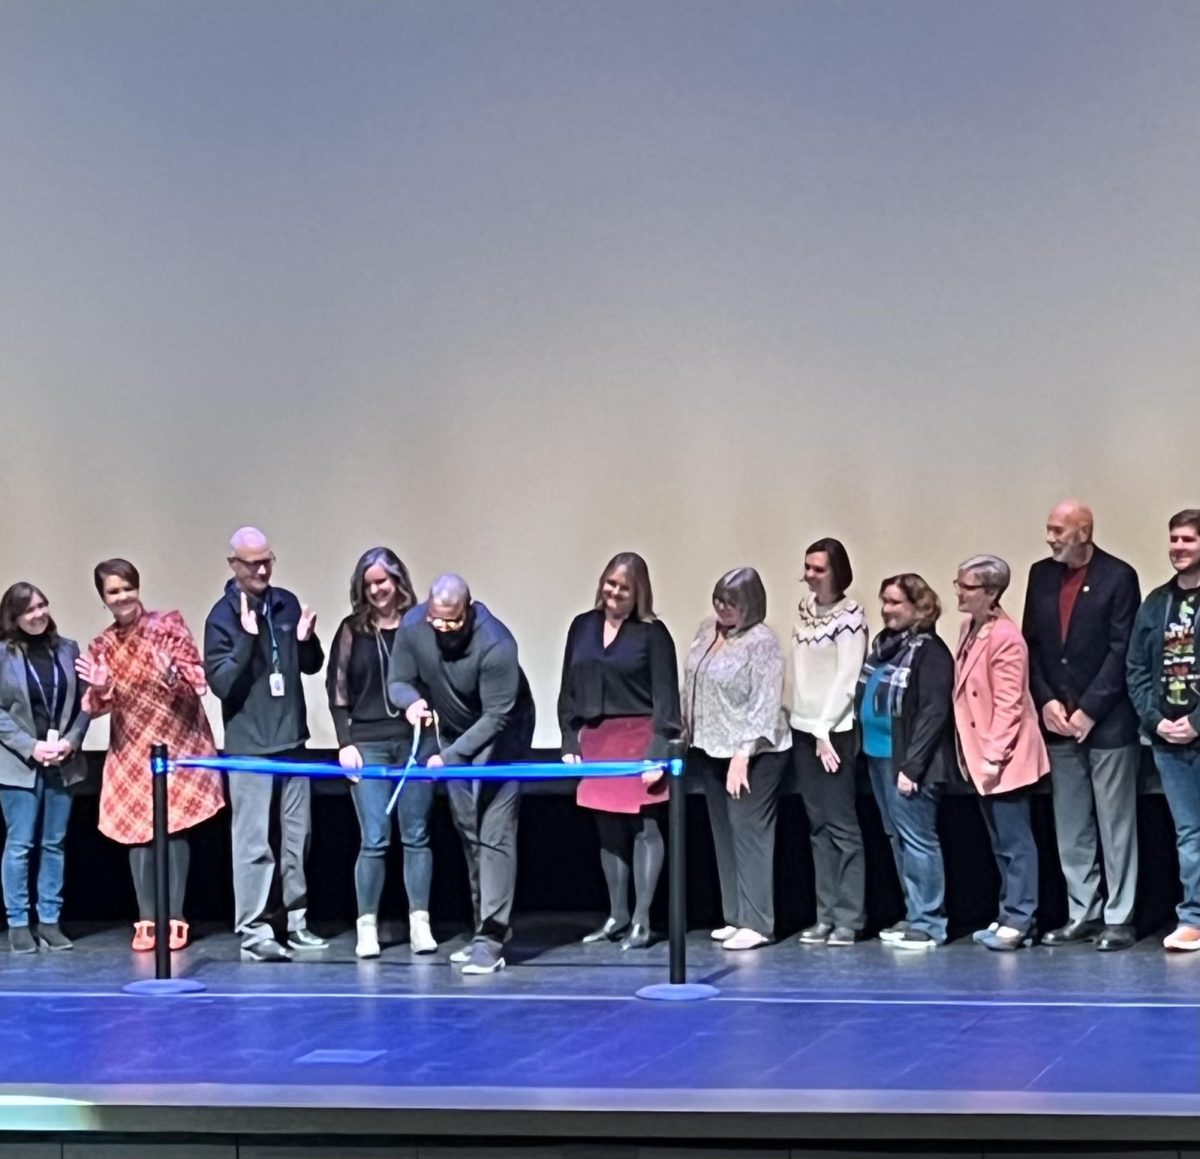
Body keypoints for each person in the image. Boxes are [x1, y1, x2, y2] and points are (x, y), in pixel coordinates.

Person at [388, 574, 535, 975]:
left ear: (468, 611)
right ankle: (480, 929)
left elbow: (497, 717)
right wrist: (411, 703)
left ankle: (492, 939)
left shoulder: (496, 644)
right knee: (469, 827)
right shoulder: (415, 626)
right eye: (437, 621)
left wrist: (448, 757)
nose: (444, 629)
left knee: (494, 830)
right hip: (453, 732)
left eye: (452, 622)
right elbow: (398, 680)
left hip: (504, 734)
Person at [77, 559, 225, 951]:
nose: (123, 597)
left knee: (172, 828)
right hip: (131, 749)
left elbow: (197, 680)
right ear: (103, 599)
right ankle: (146, 919)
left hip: (177, 742)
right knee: (137, 833)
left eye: (128, 588)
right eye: (114, 592)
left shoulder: (168, 626)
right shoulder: (102, 645)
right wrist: (103, 685)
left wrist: (171, 673)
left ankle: (175, 917)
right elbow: (93, 704)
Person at [1022, 501, 1142, 952]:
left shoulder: (1118, 576)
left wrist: (1090, 708)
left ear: (1084, 531)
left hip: (1107, 722)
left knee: (1116, 824)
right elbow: (1031, 645)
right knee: (1071, 824)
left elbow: (1122, 649)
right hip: (1057, 720)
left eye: (1058, 530)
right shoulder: (1040, 575)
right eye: (1049, 529)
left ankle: (1120, 916)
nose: (1050, 537)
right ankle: (1082, 913)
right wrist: (1047, 700)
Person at [203, 527, 325, 962]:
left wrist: (308, 642)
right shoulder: (221, 617)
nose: (261, 569)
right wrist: (245, 637)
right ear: (233, 565)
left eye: (266, 560)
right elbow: (220, 684)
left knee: (298, 837)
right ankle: (254, 931)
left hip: (292, 739)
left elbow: (310, 666)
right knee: (254, 843)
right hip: (249, 746)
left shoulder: (286, 603)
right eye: (251, 562)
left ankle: (295, 921)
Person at [558, 552, 681, 951]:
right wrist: (569, 738)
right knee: (607, 830)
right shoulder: (582, 626)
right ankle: (617, 915)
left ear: (638, 592)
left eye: (623, 587)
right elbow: (568, 689)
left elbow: (666, 698)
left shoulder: (652, 634)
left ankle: (643, 920)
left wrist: (657, 751)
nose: (614, 592)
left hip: (639, 736)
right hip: (596, 738)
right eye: (610, 583)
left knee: (645, 828)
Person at [327, 547, 436, 959]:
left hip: (414, 743)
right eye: (369, 584)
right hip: (368, 743)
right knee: (374, 837)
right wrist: (345, 743)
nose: (376, 590)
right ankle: (367, 926)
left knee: (417, 836)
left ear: (397, 581)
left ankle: (419, 924)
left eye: (383, 582)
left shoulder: (418, 626)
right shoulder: (352, 629)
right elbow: (337, 691)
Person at [682, 568, 789, 952]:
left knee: (748, 831)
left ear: (751, 604)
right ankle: (736, 916)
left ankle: (759, 922)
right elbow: (692, 681)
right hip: (711, 746)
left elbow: (765, 698)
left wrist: (744, 753)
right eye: (718, 600)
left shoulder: (762, 641)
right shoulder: (707, 630)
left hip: (754, 752)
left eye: (731, 603)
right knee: (723, 831)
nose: (722, 609)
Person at [952, 555, 1050, 951]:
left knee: (1015, 842)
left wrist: (994, 755)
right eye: (958, 583)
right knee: (998, 841)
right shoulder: (968, 628)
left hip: (1003, 755)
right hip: (977, 754)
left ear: (991, 593)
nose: (958, 591)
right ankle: (1008, 913)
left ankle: (1022, 916)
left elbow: (1009, 702)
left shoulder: (1006, 637)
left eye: (967, 586)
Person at [856, 574, 956, 950]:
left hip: (910, 764)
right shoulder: (885, 646)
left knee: (918, 840)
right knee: (897, 837)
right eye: (884, 601)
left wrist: (912, 766)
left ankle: (930, 922)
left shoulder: (931, 652)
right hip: (878, 757)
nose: (887, 609)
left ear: (919, 607)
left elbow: (933, 712)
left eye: (896, 602)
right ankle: (914, 914)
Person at [0, 583, 89, 953]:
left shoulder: (67, 649)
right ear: (14, 617)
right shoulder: (2, 655)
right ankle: (18, 922)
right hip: (18, 764)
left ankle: (50, 920)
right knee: (20, 844)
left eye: (42, 606)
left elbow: (87, 702)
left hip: (63, 762)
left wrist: (71, 740)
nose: (38, 614)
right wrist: (32, 746)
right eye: (28, 610)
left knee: (55, 844)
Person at [1127, 509, 1200, 952]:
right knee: (1189, 832)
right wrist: (1156, 721)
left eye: (1188, 540)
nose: (1177, 548)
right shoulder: (1156, 602)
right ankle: (1193, 916)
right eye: (1173, 539)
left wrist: (1196, 722)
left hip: (1196, 727)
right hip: (1167, 738)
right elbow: (1135, 667)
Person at [789, 537, 868, 946]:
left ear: (837, 571)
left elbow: (847, 677)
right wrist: (803, 724)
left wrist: (824, 730)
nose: (810, 575)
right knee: (817, 827)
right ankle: (825, 914)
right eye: (807, 567)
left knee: (842, 827)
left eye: (818, 568)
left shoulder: (851, 615)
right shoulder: (804, 611)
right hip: (804, 730)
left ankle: (850, 917)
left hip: (834, 731)